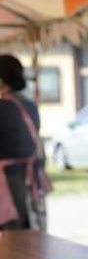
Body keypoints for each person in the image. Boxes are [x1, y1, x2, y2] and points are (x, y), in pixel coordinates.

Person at [0, 55, 48, 231]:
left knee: (11, 240)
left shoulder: (3, 107)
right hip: (30, 179)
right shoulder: (30, 105)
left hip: (8, 182)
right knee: (30, 236)